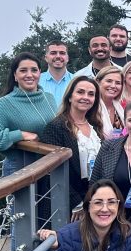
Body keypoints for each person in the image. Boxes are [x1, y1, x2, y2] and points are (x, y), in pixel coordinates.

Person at [0, 52, 57, 176]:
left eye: (34, 70)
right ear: (15, 75)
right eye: (23, 70)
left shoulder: (49, 98)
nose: (29, 75)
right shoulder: (5, 103)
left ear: (40, 73)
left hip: (50, 168)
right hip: (20, 170)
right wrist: (20, 135)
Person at [41, 77, 104, 212]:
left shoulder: (95, 126)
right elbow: (53, 172)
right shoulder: (56, 127)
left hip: (94, 197)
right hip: (67, 203)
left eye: (91, 94)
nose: (85, 97)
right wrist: (77, 203)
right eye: (80, 92)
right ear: (70, 97)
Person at [95, 66, 126, 140]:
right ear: (98, 82)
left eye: (118, 83)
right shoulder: (91, 108)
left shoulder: (120, 107)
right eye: (109, 81)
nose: (113, 86)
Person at [40, 40, 73, 107]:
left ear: (67, 58)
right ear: (46, 58)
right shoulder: (37, 81)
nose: (58, 56)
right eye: (53, 53)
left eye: (62, 53)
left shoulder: (76, 80)